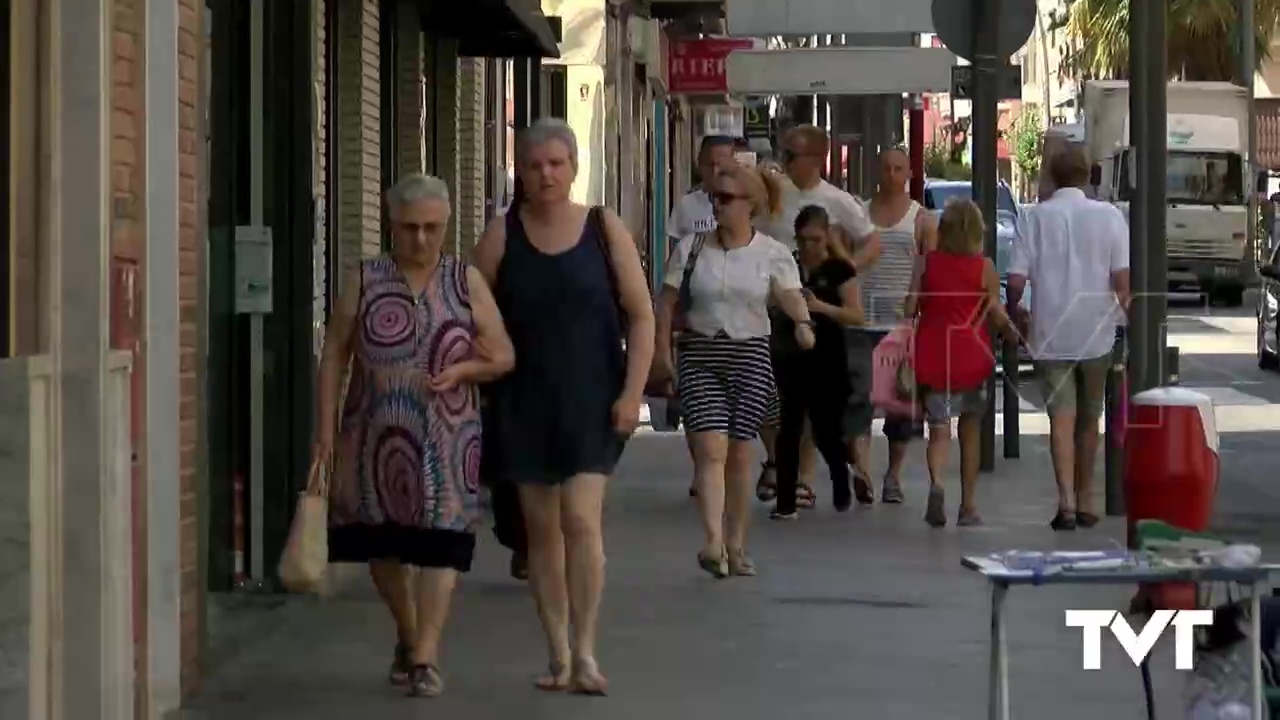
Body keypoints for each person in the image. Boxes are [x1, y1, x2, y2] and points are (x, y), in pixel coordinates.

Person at [474, 118, 655, 694]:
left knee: (580, 519)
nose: (546, 174)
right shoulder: (502, 235)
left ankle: (586, 652)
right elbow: (468, 309)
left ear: (574, 168)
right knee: (541, 531)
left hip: (592, 398)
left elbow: (643, 315)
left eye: (557, 163)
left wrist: (633, 392)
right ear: (520, 172)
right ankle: (556, 652)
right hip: (522, 398)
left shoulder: (604, 229)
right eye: (534, 165)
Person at [319, 174, 515, 697]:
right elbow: (335, 351)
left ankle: (425, 654)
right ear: (391, 226)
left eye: (432, 228)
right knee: (380, 541)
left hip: (448, 435)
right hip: (371, 432)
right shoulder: (366, 278)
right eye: (410, 229)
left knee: (442, 544)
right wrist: (324, 433)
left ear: (446, 226)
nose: (422, 240)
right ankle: (408, 634)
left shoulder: (464, 280)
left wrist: (462, 373)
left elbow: (502, 355)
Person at [653, 162, 815, 578]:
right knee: (710, 452)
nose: (717, 206)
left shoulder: (772, 253)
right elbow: (666, 303)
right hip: (700, 355)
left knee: (741, 455)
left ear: (751, 205)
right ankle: (712, 543)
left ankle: (736, 543)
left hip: (750, 357)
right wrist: (661, 354)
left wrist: (802, 321)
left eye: (726, 199)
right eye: (714, 197)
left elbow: (789, 295)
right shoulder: (690, 248)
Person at [755, 124, 882, 506]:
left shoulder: (837, 200)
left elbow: (871, 242)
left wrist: (840, 276)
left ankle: (802, 478)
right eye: (784, 152)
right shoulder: (774, 192)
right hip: (770, 307)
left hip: (813, 313)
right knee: (766, 396)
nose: (785, 160)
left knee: (804, 399)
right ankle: (778, 461)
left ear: (815, 159)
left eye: (792, 154)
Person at [1007, 144, 1130, 531]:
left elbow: (1014, 282)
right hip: (1097, 333)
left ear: (1053, 176)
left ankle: (1066, 502)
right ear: (1088, 175)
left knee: (1061, 419)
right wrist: (1129, 322)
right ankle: (1088, 496)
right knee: (1090, 419)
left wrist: (1017, 311)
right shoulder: (1110, 217)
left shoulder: (1034, 217)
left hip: (1051, 334)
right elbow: (1122, 282)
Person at [905, 199, 1016, 527]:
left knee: (938, 430)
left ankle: (937, 485)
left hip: (935, 357)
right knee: (971, 431)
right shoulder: (984, 268)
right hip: (972, 358)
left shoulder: (926, 264)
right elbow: (996, 312)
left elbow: (909, 308)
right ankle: (968, 506)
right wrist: (1012, 332)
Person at [848, 147, 937, 505]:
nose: (891, 174)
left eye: (899, 168)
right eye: (885, 167)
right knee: (858, 402)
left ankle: (894, 476)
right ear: (877, 170)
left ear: (910, 172)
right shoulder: (860, 215)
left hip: (899, 324)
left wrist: (914, 305)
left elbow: (926, 266)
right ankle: (864, 473)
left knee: (901, 405)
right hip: (860, 320)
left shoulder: (921, 218)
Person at [770, 205, 865, 520]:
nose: (809, 246)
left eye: (815, 239)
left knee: (826, 432)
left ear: (827, 237)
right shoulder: (788, 267)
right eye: (803, 240)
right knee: (790, 429)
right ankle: (785, 503)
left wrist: (820, 307)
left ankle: (841, 479)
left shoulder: (840, 270)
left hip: (829, 359)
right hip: (792, 358)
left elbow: (856, 314)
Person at [668, 135, 738, 497]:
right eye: (709, 163)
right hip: (695, 314)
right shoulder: (686, 207)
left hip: (739, 321)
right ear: (699, 163)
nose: (715, 170)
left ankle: (727, 466)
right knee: (696, 401)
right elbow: (673, 262)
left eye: (723, 163)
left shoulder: (744, 204)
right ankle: (704, 468)